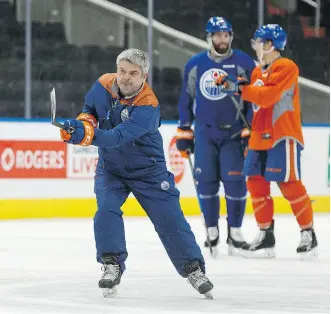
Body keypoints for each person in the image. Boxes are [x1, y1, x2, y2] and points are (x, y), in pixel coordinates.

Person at [59, 48, 214, 298]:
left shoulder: (148, 105)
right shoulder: (102, 85)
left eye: (133, 73)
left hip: (149, 172)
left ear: (145, 76)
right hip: (111, 170)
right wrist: (81, 126)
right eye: (122, 71)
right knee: (106, 210)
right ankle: (111, 264)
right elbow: (89, 110)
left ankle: (193, 268)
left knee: (169, 218)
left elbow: (116, 137)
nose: (125, 77)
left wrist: (86, 136)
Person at [215, 24, 318, 259]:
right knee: (256, 183)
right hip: (259, 135)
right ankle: (266, 237)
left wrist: (239, 87)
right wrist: (235, 86)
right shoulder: (256, 71)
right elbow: (253, 100)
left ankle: (308, 234)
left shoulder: (286, 67)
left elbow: (268, 96)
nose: (255, 46)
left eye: (258, 42)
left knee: (289, 184)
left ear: (270, 44)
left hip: (283, 134)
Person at [176, 16, 256, 255]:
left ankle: (235, 232)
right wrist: (185, 129)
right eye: (217, 35)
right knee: (207, 183)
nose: (222, 39)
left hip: (233, 133)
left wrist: (249, 127)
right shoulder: (195, 64)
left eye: (226, 35)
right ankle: (212, 230)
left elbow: (252, 98)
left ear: (231, 36)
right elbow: (186, 98)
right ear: (209, 37)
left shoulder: (244, 62)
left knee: (235, 183)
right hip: (204, 135)